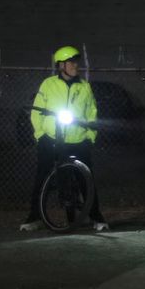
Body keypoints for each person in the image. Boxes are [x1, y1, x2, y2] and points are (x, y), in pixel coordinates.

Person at [21, 46, 106, 231]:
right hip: (51, 138)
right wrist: (40, 135)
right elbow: (36, 112)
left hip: (78, 140)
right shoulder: (48, 84)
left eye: (77, 62)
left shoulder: (84, 86)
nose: (76, 65)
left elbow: (92, 114)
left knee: (87, 179)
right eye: (71, 62)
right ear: (61, 65)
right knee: (42, 177)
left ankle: (96, 216)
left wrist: (90, 136)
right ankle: (34, 217)